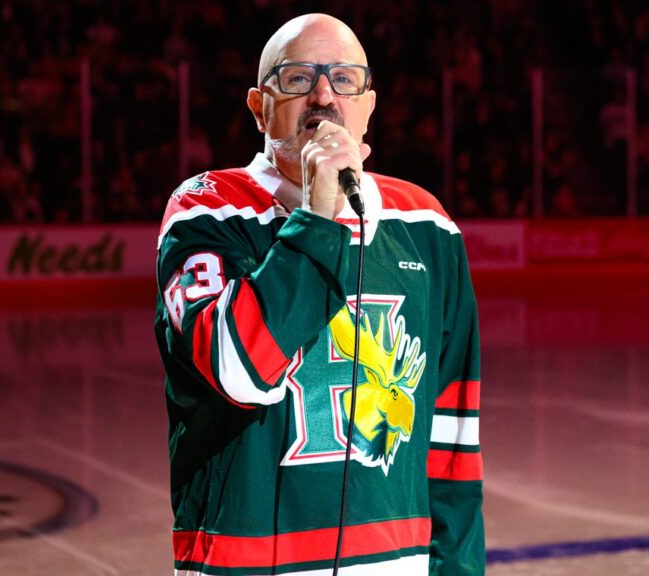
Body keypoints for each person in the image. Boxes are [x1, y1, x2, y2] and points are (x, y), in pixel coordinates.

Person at [154, 13, 483, 575]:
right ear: (259, 106)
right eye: (298, 78)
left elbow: (452, 434)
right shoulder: (208, 209)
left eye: (344, 79)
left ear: (368, 105)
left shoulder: (428, 224)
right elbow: (238, 370)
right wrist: (317, 215)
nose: (324, 94)